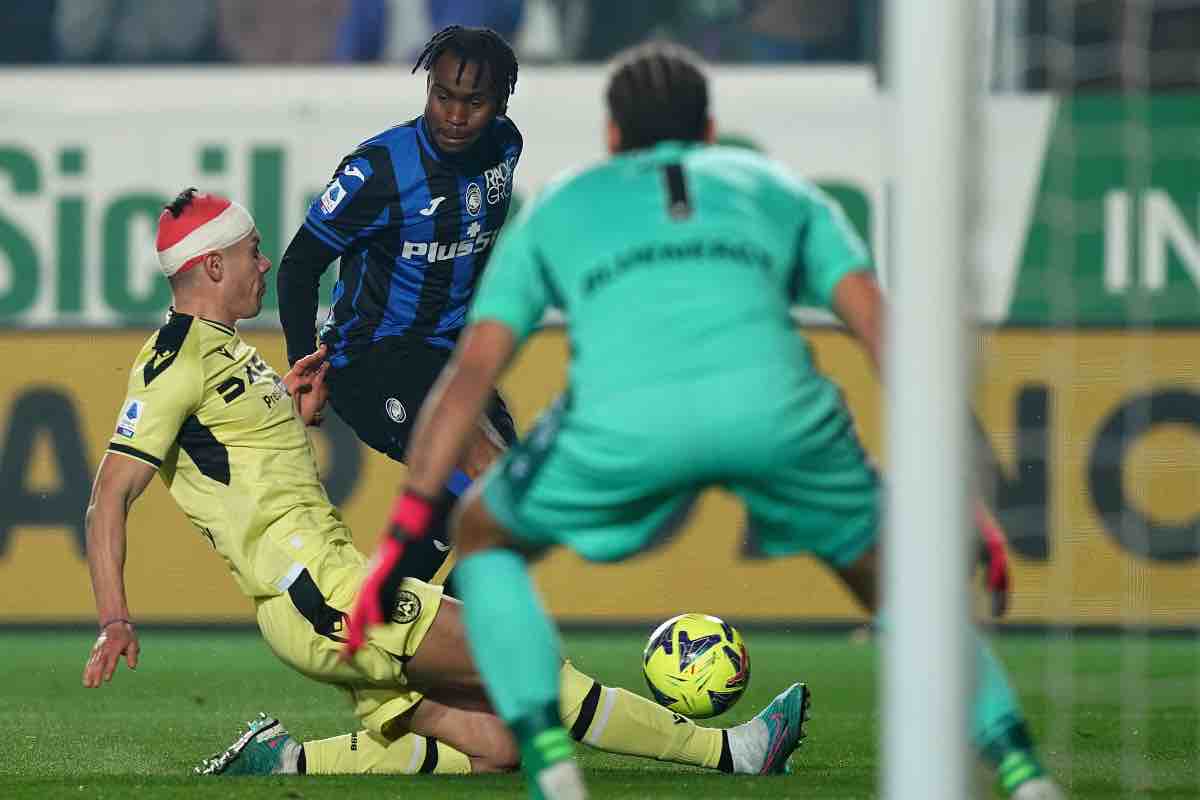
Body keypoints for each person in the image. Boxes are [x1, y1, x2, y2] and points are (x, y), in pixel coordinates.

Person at [345, 41, 1064, 800]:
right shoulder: (781, 191)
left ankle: (552, 766)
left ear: (613, 136)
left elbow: (466, 381)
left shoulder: (564, 203)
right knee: (905, 590)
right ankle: (1021, 772)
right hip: (781, 416)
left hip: (622, 422)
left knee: (486, 534)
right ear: (712, 132)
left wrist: (400, 539)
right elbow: (891, 339)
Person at [82, 189, 809, 782]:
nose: (265, 264)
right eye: (250, 253)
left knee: (499, 747)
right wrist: (115, 618)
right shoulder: (172, 358)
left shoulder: (228, 352)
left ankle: (287, 760)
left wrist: (297, 410)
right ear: (210, 268)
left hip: (329, 590)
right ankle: (736, 754)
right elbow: (109, 495)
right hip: (321, 595)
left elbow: (237, 462)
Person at [277, 25, 524, 589]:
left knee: (506, 517)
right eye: (443, 96)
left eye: (474, 102)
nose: (455, 116)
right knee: (495, 489)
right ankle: (430, 646)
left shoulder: (504, 147)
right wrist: (304, 365)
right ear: (427, 89)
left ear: (501, 104)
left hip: (450, 363)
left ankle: (397, 640)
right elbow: (297, 267)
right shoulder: (377, 171)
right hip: (372, 360)